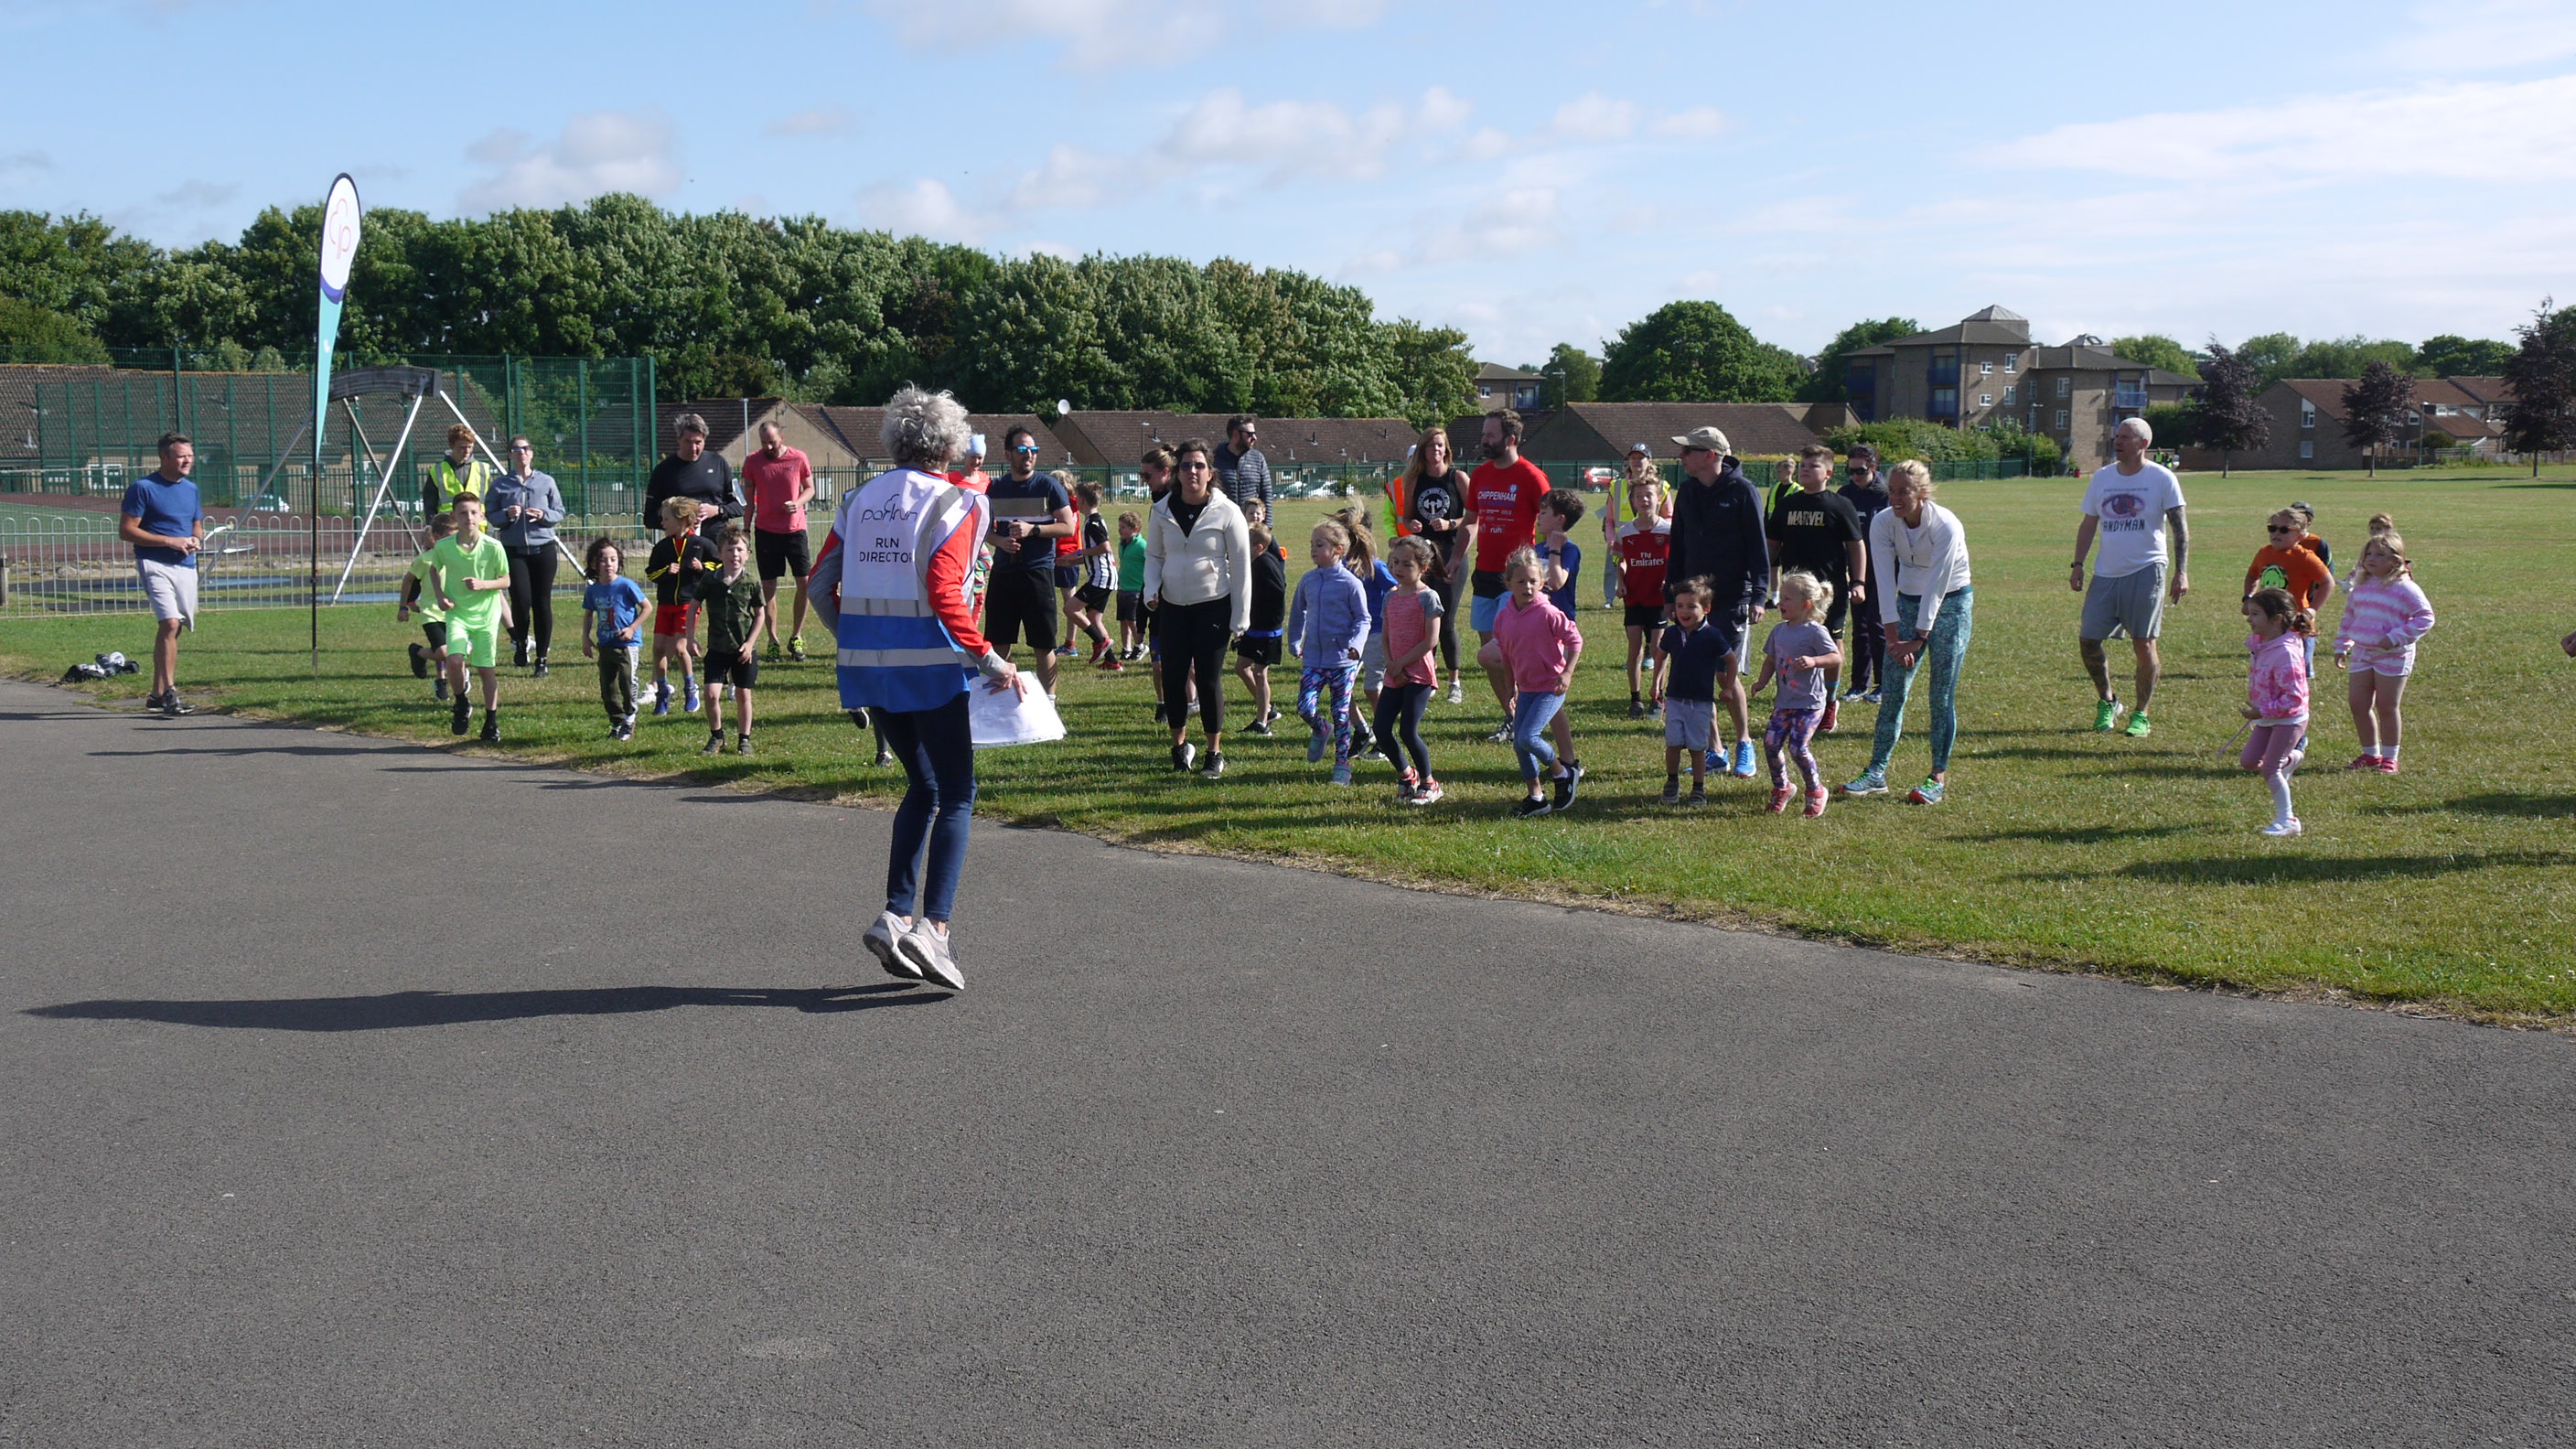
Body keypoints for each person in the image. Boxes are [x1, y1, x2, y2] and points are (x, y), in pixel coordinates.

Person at [809, 386, 1018, 993]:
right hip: (933, 668)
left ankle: (896, 913)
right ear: (952, 442)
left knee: (921, 785)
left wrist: (852, 640)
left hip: (869, 668)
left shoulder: (858, 498)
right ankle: (935, 930)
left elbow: (821, 586)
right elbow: (947, 589)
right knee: (957, 793)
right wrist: (988, 659)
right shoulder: (961, 503)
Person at [1844, 461, 1972, 805]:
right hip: (1907, 603)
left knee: (1940, 694)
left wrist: (1919, 636)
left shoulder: (1945, 524)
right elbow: (1883, 579)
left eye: (1904, 492)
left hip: (1952, 603)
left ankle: (1937, 776)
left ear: (1922, 493)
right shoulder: (1884, 522)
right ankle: (1876, 772)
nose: (1896, 499)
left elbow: (1938, 584)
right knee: (1894, 691)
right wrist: (1893, 636)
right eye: (1893, 492)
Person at [1661, 424, 1769, 778]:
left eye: (1688, 451)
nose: (1681, 457)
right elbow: (1677, 546)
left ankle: (1744, 745)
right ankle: (1716, 749)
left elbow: (1758, 546)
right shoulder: (1688, 492)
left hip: (1733, 598)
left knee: (1726, 676)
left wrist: (1759, 595)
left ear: (1709, 455)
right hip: (1692, 600)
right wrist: (1671, 594)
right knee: (1697, 674)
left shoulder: (1743, 491)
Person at [2072, 415, 2189, 738]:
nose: (2118, 442)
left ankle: (2142, 714)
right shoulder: (2102, 478)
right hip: (2106, 572)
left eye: (2125, 437)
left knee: (2144, 643)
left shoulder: (2162, 478)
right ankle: (2108, 701)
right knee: (2088, 639)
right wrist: (2078, 563)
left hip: (2147, 568)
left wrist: (2181, 572)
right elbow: (2089, 523)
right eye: (2117, 436)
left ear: (2143, 444)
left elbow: (2179, 528)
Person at [1144, 438, 1252, 778]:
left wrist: (1241, 616)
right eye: (1186, 466)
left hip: (1213, 607)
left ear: (1210, 472)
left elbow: (1241, 564)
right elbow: (1154, 555)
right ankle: (1179, 747)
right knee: (1174, 678)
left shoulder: (1227, 511)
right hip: (1173, 607)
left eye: (1199, 465)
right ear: (1176, 472)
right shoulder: (1162, 509)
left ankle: (1213, 752)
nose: (1192, 471)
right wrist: (1151, 588)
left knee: (1207, 680)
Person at [1463, 409, 1552, 740]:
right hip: (1484, 573)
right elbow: (1471, 520)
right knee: (1490, 654)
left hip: (1517, 578)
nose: (1484, 440)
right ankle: (1512, 716)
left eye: (1490, 435)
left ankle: (1530, 714)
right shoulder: (1482, 475)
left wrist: (1542, 566)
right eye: (1484, 434)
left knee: (1508, 650)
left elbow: (1550, 521)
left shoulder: (1532, 476)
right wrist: (1457, 558)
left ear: (1510, 439)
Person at [1765, 443, 1866, 735]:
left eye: (1813, 466)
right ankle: (1791, 699)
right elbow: (1772, 542)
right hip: (1795, 591)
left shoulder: (1839, 505)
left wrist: (1858, 582)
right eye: (1803, 465)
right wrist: (1761, 575)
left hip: (1829, 591)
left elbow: (1856, 545)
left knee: (1832, 643)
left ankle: (1830, 700)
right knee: (1792, 641)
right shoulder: (1787, 504)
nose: (1806, 470)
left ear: (1829, 473)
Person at [1485, 545, 1583, 817]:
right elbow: (1506, 656)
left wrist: (1567, 673)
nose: (1527, 587)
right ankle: (1537, 796)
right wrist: (1510, 688)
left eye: (1533, 581)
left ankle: (1563, 774)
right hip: (1526, 688)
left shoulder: (1548, 613)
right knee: (1520, 743)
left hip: (1551, 687)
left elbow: (1575, 640)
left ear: (1542, 582)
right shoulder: (1503, 617)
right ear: (1508, 584)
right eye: (1521, 582)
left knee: (1528, 737)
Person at [982, 428, 1076, 695]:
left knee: (1043, 645)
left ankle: (1049, 702)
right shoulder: (997, 488)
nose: (1029, 456)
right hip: (1003, 573)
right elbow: (983, 529)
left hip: (1037, 573)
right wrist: (999, 542)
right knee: (999, 643)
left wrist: (1032, 530)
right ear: (1008, 454)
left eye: (1033, 451)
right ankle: (1004, 699)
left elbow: (1068, 526)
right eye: (1022, 450)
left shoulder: (1048, 486)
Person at [2333, 529, 2434, 774]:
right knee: (2358, 704)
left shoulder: (2405, 587)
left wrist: (2395, 638)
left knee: (2387, 706)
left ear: (2395, 561)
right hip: (2363, 654)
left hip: (2393, 655)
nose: (2371, 559)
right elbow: (2349, 618)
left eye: (2380, 555)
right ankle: (2371, 754)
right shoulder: (2361, 586)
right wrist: (2342, 645)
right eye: (2368, 553)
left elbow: (2425, 617)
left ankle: (2390, 757)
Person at [120, 433, 204, 717]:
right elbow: (127, 530)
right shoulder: (143, 488)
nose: (187, 460)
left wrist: (194, 540)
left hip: (185, 566)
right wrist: (169, 541)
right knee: (169, 623)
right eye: (181, 456)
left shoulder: (191, 489)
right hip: (154, 563)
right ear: (164, 457)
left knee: (174, 627)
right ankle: (171, 692)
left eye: (190, 456)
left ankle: (156, 695)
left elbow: (196, 525)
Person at [425, 493, 513, 743]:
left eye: (474, 512)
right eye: (463, 513)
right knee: (454, 660)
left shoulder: (493, 547)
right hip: (458, 614)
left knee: (486, 668)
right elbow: (434, 569)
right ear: (454, 517)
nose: (469, 518)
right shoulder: (444, 547)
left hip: (485, 617)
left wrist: (483, 584)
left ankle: (491, 720)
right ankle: (461, 702)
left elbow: (505, 580)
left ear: (482, 516)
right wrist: (441, 595)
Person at [1288, 517, 1369, 785]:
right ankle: (1321, 729)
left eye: (1319, 545)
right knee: (1304, 707)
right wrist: (1294, 641)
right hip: (1313, 659)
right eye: (1312, 544)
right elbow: (1298, 611)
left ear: (1338, 550)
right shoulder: (1308, 580)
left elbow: (1363, 619)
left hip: (1343, 663)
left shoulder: (1350, 584)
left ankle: (1342, 764)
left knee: (1342, 714)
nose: (1313, 550)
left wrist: (1356, 646)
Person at [1753, 571, 1841, 818]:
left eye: (1787, 599)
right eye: (1780, 597)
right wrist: (1761, 682)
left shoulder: (1815, 631)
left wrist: (1814, 661)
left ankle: (1815, 791)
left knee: (1798, 748)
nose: (1780, 603)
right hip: (1784, 702)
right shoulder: (1779, 631)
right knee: (1770, 744)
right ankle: (1782, 787)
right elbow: (1771, 660)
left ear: (1806, 605)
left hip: (1810, 703)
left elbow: (1836, 657)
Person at [1396, 424, 1472, 703]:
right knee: (1426, 619)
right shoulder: (1415, 481)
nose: (1436, 450)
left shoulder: (1458, 478)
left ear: (1446, 449)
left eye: (1440, 445)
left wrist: (1451, 522)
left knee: (1447, 619)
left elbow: (1474, 516)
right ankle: (1427, 678)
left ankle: (1454, 681)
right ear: (1424, 451)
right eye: (1431, 446)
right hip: (1422, 555)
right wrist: (1411, 524)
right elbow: (1405, 518)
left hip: (1452, 553)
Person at [1373, 536, 1445, 804]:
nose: (1398, 568)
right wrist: (1391, 664)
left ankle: (1429, 783)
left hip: (1418, 675)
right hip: (1394, 673)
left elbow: (1431, 640)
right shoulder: (1391, 596)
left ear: (1423, 567)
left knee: (1407, 731)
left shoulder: (1428, 597)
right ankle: (1407, 775)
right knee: (1381, 729)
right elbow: (1386, 636)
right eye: (1394, 562)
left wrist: (1401, 664)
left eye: (1406, 564)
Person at [487, 435, 565, 675]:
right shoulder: (501, 484)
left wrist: (543, 515)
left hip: (543, 549)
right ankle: (521, 642)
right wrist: (507, 515)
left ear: (531, 453)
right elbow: (490, 514)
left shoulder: (546, 481)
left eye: (526, 449)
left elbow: (559, 511)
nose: (521, 453)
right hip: (514, 551)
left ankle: (542, 658)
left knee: (542, 604)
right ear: (510, 455)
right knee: (521, 603)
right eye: (516, 449)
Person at [2240, 586, 2314, 837]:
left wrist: (2263, 709)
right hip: (2267, 717)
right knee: (2249, 762)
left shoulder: (2286, 652)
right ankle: (2292, 759)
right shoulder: (2263, 644)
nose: (2249, 619)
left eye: (2256, 614)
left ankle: (2288, 820)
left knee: (2270, 769)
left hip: (2289, 719)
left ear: (2276, 619)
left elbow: (2293, 698)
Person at [740, 420, 816, 661]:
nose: (768, 447)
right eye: (764, 443)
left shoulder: (798, 458)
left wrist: (798, 503)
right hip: (766, 531)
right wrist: (746, 529)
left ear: (781, 437)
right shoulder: (753, 462)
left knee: (804, 583)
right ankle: (772, 640)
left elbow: (810, 488)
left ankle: (796, 636)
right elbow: (749, 501)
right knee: (768, 588)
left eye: (772, 442)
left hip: (795, 531)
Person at [692, 526, 767, 756]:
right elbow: (694, 606)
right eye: (729, 550)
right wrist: (690, 638)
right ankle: (717, 736)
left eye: (739, 550)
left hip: (742, 649)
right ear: (719, 553)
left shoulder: (751, 582)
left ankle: (745, 739)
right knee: (711, 693)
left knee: (743, 694)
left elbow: (760, 614)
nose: (734, 554)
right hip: (717, 647)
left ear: (747, 554)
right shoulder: (710, 580)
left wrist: (750, 644)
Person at [1654, 578, 1726, 806]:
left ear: (1706, 609)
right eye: (1680, 606)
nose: (1684, 611)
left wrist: (1730, 686)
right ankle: (1672, 781)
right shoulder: (1673, 634)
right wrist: (1656, 683)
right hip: (1675, 698)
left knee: (1697, 747)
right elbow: (1661, 656)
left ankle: (1698, 787)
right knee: (1673, 743)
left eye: (1691, 606)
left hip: (1701, 701)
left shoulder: (1712, 635)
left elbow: (1730, 659)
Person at [645, 495, 718, 716]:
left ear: (683, 520)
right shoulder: (662, 547)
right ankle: (662, 692)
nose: (663, 523)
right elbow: (651, 574)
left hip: (688, 603)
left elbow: (717, 565)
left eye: (667, 519)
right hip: (665, 603)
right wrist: (665, 572)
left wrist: (702, 566)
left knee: (679, 648)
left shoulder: (701, 544)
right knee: (658, 649)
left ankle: (690, 688)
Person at [2245, 507, 2335, 679]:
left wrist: (2313, 609)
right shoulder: (2264, 553)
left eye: (2284, 530)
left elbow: (2327, 583)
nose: (2276, 533)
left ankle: (2296, 701)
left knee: (2298, 668)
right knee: (2266, 662)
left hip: (2296, 623)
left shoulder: (2306, 557)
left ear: (2301, 536)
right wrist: (2248, 598)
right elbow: (2251, 575)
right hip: (2268, 621)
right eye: (2272, 528)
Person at [1611, 472, 1670, 718]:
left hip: (1659, 598)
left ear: (1658, 499)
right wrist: (1621, 582)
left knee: (1658, 648)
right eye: (1639, 496)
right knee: (1634, 647)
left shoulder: (1668, 530)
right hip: (1634, 596)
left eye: (1649, 495)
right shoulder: (1625, 532)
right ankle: (1635, 699)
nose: (1644, 500)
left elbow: (1677, 562)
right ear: (1632, 501)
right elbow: (1621, 561)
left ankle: (1657, 694)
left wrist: (1671, 581)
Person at [579, 535, 648, 740]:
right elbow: (589, 614)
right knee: (607, 686)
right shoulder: (593, 590)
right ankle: (616, 720)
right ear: (594, 564)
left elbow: (647, 607)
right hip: (606, 643)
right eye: (603, 560)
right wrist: (585, 638)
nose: (608, 564)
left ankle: (630, 717)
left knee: (627, 680)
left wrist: (632, 628)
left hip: (627, 643)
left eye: (613, 559)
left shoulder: (626, 585)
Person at [1837, 445, 1891, 702]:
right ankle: (1858, 685)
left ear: (1873, 467)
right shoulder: (1845, 494)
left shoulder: (1885, 495)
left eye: (1860, 470)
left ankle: (1884, 683)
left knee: (1877, 624)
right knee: (1859, 627)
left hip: (1883, 569)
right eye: (1850, 470)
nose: (1855, 475)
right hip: (1855, 571)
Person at [1336, 504, 1390, 757]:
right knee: (1339, 685)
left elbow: (1396, 589)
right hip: (1351, 635)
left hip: (1377, 633)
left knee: (1372, 688)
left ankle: (1384, 735)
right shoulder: (1338, 565)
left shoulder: (1375, 566)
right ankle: (1362, 730)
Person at [642, 413, 743, 532]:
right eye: (688, 442)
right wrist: (680, 519)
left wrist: (717, 510)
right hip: (681, 544)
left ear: (705, 439)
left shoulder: (719, 463)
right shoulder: (664, 470)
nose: (693, 448)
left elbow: (740, 505)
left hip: (717, 543)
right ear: (678, 439)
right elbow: (650, 517)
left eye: (698, 442)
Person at [1232, 521, 1287, 734]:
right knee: (1241, 667)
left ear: (1259, 547)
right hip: (1253, 627)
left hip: (1267, 629)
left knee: (1259, 673)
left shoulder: (1265, 564)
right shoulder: (1254, 562)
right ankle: (1268, 709)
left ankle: (1262, 723)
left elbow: (1278, 592)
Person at [397, 511, 456, 703]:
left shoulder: (461, 557)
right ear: (437, 537)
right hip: (431, 612)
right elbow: (408, 582)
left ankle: (443, 680)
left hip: (454, 611)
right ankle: (418, 653)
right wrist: (404, 606)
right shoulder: (426, 559)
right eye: (450, 536)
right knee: (442, 651)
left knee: (454, 649)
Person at [1070, 479, 1118, 667]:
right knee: (1094, 619)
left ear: (1081, 500)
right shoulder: (1093, 520)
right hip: (1103, 576)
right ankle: (1112, 662)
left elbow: (1104, 548)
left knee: (1070, 609)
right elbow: (1097, 552)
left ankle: (1101, 642)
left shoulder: (1093, 522)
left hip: (1101, 578)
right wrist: (1071, 560)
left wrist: (1081, 552)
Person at [421, 423, 492, 519]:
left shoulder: (483, 469)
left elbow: (492, 503)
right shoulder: (437, 470)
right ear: (451, 445)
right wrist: (433, 526)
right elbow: (430, 506)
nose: (467, 451)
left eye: (470, 447)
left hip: (478, 527)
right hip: (449, 528)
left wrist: (489, 527)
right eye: (462, 447)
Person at [1051, 468, 1087, 660]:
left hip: (1066, 556)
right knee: (1055, 601)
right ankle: (1055, 641)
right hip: (1056, 556)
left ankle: (1070, 644)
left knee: (1070, 603)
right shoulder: (1069, 504)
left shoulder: (1069, 505)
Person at [1212, 413, 1273, 521]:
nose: (1255, 438)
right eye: (1250, 434)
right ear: (1236, 434)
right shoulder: (1215, 459)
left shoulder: (1258, 458)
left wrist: (1267, 525)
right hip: (1223, 522)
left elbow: (1266, 493)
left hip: (1251, 525)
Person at [1114, 509, 1147, 660]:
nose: (1119, 530)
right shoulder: (1122, 544)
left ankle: (1140, 645)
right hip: (1123, 588)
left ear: (1135, 529)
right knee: (1123, 620)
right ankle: (1126, 647)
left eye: (1123, 527)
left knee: (1133, 620)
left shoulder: (1142, 546)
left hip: (1136, 589)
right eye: (1120, 526)